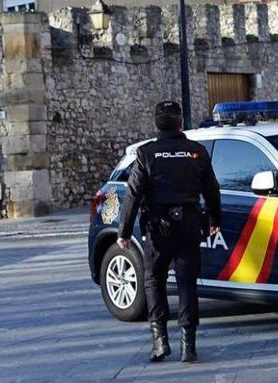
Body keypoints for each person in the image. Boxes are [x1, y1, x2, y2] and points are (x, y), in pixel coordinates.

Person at [116, 101, 222, 363]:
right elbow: (212, 189)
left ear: (156, 123)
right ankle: (189, 346)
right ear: (180, 122)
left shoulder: (146, 153)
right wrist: (214, 218)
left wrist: (124, 231)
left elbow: (132, 195)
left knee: (154, 280)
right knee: (187, 282)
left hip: (158, 225)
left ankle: (160, 343)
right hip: (188, 223)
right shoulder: (196, 151)